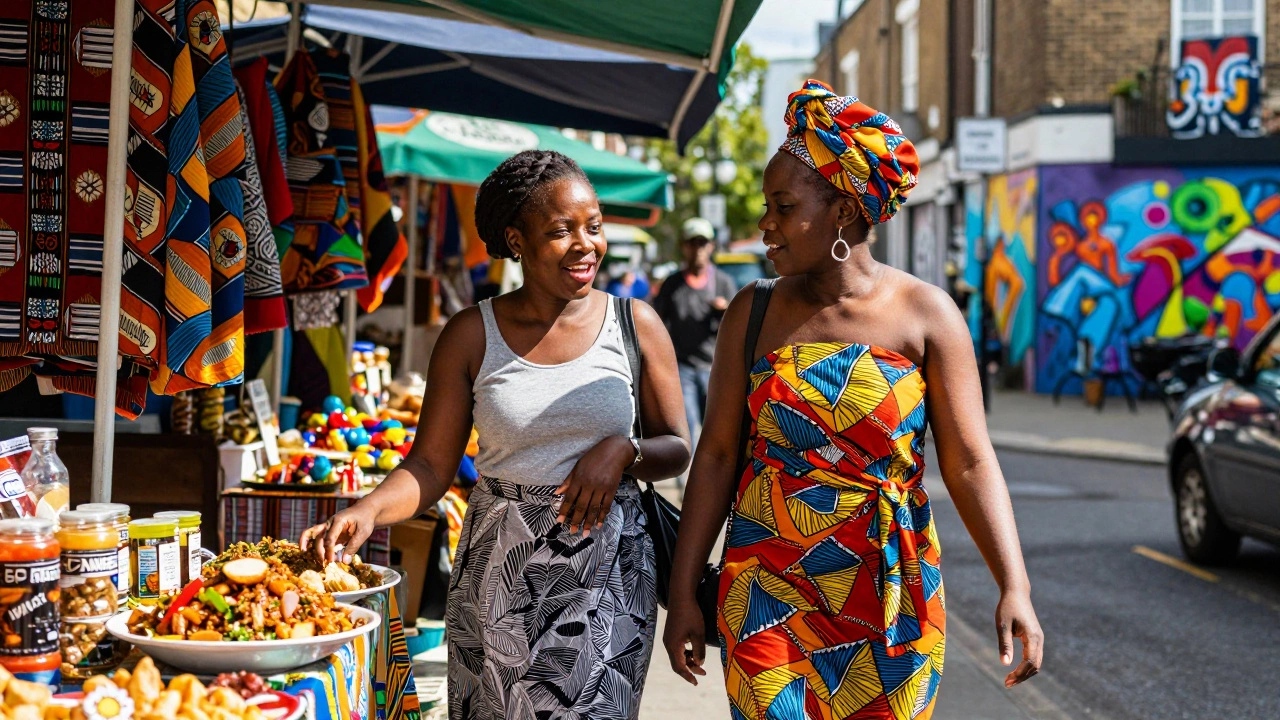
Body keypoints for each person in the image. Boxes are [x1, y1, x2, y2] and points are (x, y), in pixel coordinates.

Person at [662, 80, 1043, 719]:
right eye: (766, 205)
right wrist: (682, 592)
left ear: (842, 209)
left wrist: (1016, 586)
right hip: (766, 592)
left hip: (891, 590)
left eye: (782, 206)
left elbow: (972, 462)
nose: (765, 225)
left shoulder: (928, 316)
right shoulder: (751, 315)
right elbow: (720, 455)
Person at [302, 150, 692, 719]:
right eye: (561, 231)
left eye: (594, 226)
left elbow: (676, 448)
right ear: (516, 240)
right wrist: (367, 511)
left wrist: (623, 450)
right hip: (499, 575)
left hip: (607, 576)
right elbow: (432, 467)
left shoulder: (636, 324)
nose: (585, 244)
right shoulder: (470, 334)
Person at [653, 217, 737, 450]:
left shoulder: (724, 283)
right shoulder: (672, 285)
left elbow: (739, 326)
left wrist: (725, 310)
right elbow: (656, 324)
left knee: (714, 429)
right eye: (692, 243)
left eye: (702, 243)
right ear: (684, 246)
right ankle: (687, 479)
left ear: (711, 246)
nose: (698, 249)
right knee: (687, 427)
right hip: (682, 369)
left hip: (714, 368)